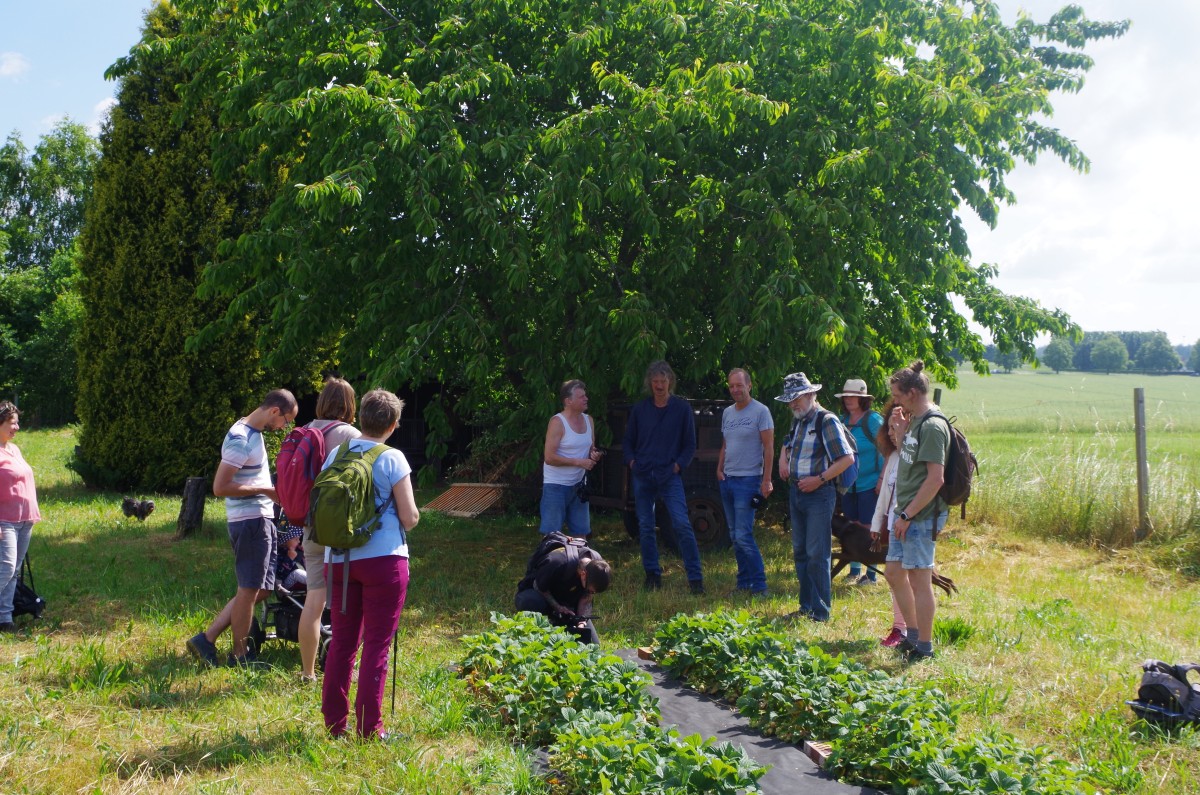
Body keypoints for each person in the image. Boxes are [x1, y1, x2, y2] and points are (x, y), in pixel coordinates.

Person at [321, 388, 420, 741]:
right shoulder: (393, 458)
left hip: (339, 560)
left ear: (361, 416)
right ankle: (368, 729)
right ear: (393, 424)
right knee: (377, 644)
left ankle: (335, 724)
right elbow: (408, 518)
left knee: (343, 643)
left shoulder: (336, 453)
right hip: (384, 562)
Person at [187, 390, 298, 667]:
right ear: (274, 411)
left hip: (259, 520)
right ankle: (240, 656)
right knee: (249, 590)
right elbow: (220, 487)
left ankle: (207, 639)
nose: (285, 426)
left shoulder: (253, 433)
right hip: (249, 522)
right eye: (286, 420)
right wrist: (266, 490)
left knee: (260, 589)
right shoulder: (241, 439)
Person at [298, 378, 362, 683]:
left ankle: (308, 672)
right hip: (339, 527)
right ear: (350, 404)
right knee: (345, 601)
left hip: (310, 524)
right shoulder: (350, 435)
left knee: (314, 599)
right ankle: (343, 664)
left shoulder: (306, 430)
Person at [885, 361, 950, 661]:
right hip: (906, 514)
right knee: (895, 573)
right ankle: (912, 635)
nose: (894, 401)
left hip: (920, 516)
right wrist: (899, 431)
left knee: (919, 580)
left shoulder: (934, 426)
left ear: (912, 393)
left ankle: (924, 646)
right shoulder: (914, 421)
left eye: (897, 395)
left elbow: (936, 479)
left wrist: (908, 515)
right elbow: (908, 461)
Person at [776, 373, 854, 622]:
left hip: (820, 494)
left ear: (810, 395)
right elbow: (788, 441)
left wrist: (819, 479)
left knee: (817, 554)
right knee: (800, 552)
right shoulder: (798, 420)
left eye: (796, 398)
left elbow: (846, 459)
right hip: (797, 492)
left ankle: (821, 613)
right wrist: (782, 458)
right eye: (789, 401)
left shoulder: (826, 420)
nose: (793, 404)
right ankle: (806, 607)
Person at [622, 360, 706, 594]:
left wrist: (678, 466)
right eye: (655, 381)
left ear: (671, 381)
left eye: (663, 381)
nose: (659, 385)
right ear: (649, 383)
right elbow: (628, 441)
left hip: (669, 475)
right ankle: (652, 575)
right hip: (643, 474)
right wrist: (631, 461)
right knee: (646, 526)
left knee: (681, 523)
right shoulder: (640, 409)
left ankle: (695, 579)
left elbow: (690, 444)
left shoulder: (681, 408)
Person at [716, 368, 774, 597]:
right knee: (734, 535)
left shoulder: (761, 411)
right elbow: (726, 444)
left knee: (743, 535)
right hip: (727, 479)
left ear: (749, 385)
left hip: (749, 480)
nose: (735, 390)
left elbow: (769, 447)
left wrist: (766, 480)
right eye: (731, 386)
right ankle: (743, 583)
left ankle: (760, 585)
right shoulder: (728, 413)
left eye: (739, 385)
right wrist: (719, 468)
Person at [836, 379, 885, 584]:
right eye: (846, 396)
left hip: (871, 484)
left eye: (853, 396)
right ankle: (854, 571)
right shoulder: (840, 420)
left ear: (863, 399)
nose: (849, 399)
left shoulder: (873, 421)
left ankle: (871, 574)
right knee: (852, 527)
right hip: (848, 485)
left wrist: (882, 478)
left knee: (869, 528)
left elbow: (888, 451)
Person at [514, 541, 612, 645]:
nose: (591, 594)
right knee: (530, 602)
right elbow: (538, 586)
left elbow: (586, 598)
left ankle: (563, 621)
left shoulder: (597, 565)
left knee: (593, 645)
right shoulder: (557, 562)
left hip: (567, 602)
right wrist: (557, 607)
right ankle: (543, 627)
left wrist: (581, 621)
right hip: (539, 594)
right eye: (590, 591)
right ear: (583, 574)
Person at [540, 379, 602, 537]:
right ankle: (550, 562)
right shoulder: (557, 422)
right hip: (556, 486)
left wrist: (594, 454)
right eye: (581, 396)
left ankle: (579, 561)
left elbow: (590, 449)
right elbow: (549, 458)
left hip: (579, 485)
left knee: (581, 535)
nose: (586, 398)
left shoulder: (589, 420)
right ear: (568, 401)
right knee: (552, 537)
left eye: (585, 395)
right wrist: (579, 462)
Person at [870, 401, 908, 647]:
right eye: (890, 430)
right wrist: (876, 525)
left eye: (896, 429)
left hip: (910, 525)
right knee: (895, 578)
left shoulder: (912, 458)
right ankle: (900, 628)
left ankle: (907, 630)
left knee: (906, 579)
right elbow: (886, 494)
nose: (892, 435)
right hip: (894, 526)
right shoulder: (893, 457)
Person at [0, 402, 39, 633]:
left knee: (14, 571)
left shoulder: (14, 450)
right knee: (4, 569)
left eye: (16, 422)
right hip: (5, 520)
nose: (17, 427)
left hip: (25, 519)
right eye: (12, 422)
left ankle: (5, 619)